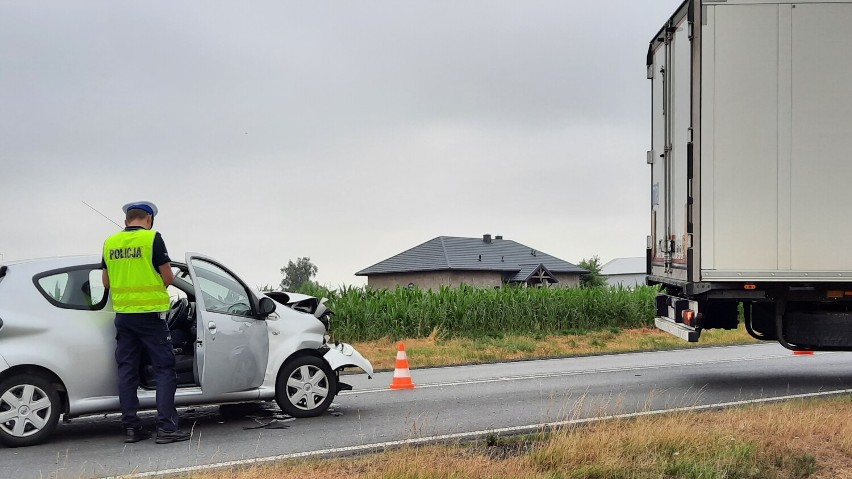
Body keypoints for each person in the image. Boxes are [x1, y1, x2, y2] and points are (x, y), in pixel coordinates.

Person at [101, 201, 190, 444]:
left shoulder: (109, 243)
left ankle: (132, 428)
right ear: (149, 219)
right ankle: (167, 429)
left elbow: (106, 283)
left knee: (127, 371)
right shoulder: (153, 239)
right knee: (163, 370)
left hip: (123, 318)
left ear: (126, 220)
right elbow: (169, 277)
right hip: (151, 317)